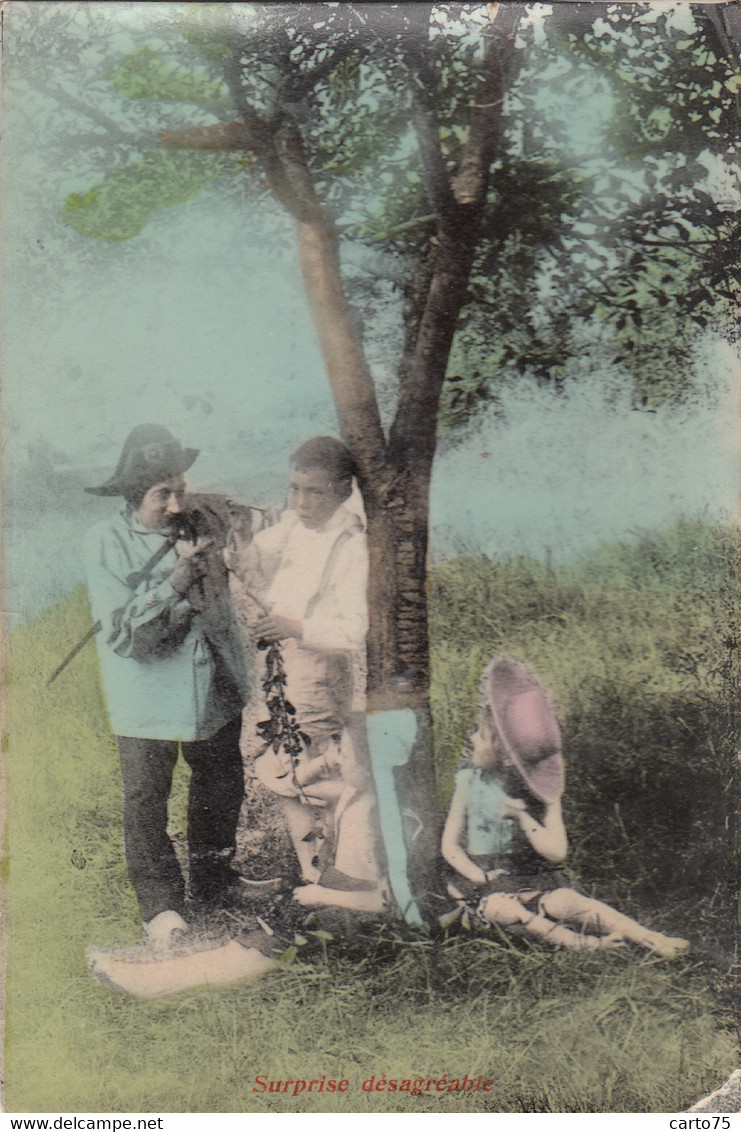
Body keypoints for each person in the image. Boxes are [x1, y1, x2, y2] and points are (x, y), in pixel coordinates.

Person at [84, 424, 256, 950]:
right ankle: (161, 908)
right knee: (146, 799)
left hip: (214, 686)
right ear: (135, 497)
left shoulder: (201, 519)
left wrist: (235, 520)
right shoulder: (105, 543)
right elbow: (127, 635)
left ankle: (215, 882)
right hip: (146, 697)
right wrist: (179, 579)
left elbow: (252, 523)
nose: (177, 503)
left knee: (221, 785)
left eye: (181, 487)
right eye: (163, 494)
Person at [441, 654, 690, 956]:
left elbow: (557, 852)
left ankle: (649, 938)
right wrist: (479, 877)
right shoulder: (469, 781)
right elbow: (450, 847)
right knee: (504, 910)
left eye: (484, 736)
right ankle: (587, 946)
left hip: (527, 877)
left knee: (567, 902)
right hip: (483, 883)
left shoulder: (540, 790)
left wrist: (521, 816)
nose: (474, 741)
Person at [228, 436, 385, 907]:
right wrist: (236, 540)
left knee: (305, 771)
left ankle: (352, 860)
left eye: (313, 492)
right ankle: (311, 875)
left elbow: (355, 629)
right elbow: (255, 557)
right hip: (281, 669)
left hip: (320, 673)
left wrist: (296, 625)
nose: (300, 502)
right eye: (294, 489)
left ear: (340, 489)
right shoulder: (294, 527)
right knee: (286, 774)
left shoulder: (350, 543)